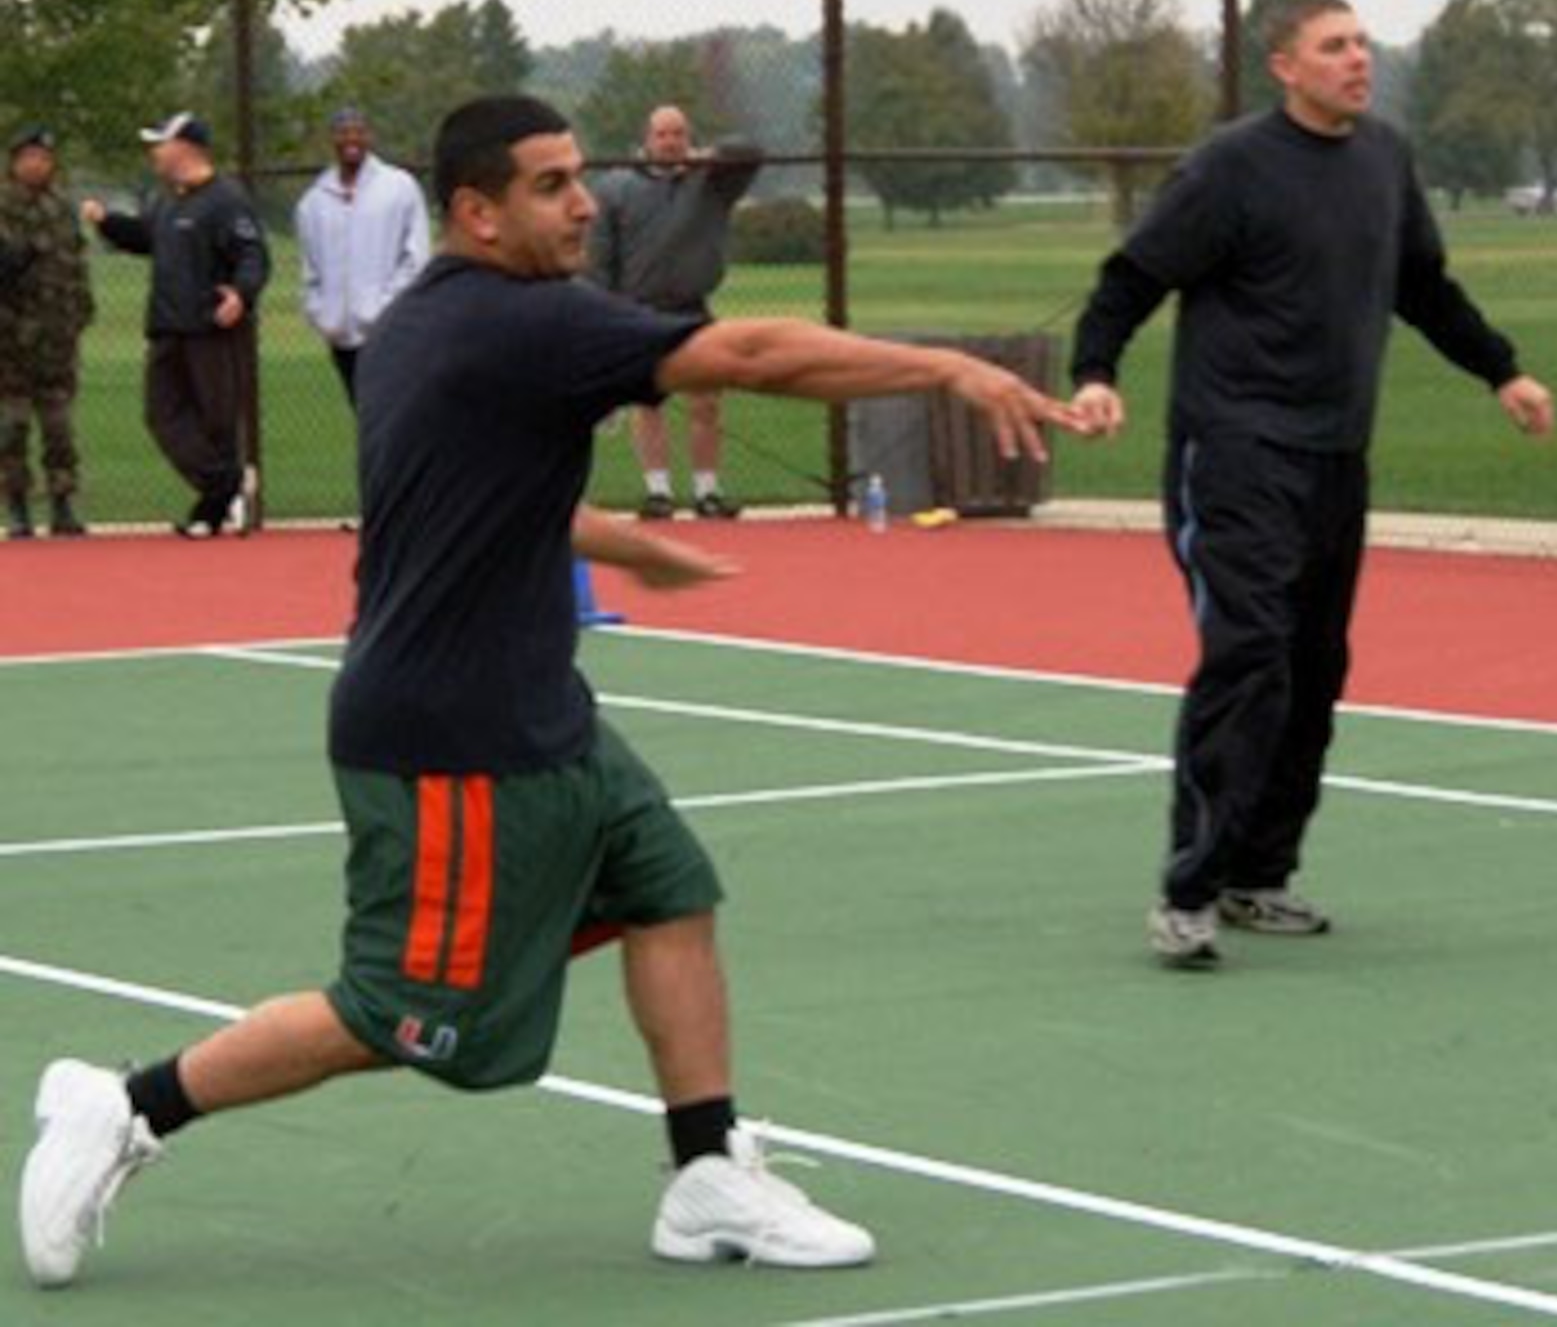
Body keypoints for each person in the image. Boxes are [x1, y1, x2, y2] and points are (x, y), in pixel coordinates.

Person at [18, 94, 1085, 1289]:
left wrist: (624, 544)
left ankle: (705, 1171)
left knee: (670, 889)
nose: (581, 202)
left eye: (581, 177)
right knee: (395, 1011)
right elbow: (741, 353)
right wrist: (945, 366)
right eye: (548, 185)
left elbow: (478, 489)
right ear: (476, 212)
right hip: (450, 737)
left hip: (541, 716)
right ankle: (126, 1105)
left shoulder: (430, 322)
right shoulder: (520, 323)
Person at [1066, 0, 1556, 969]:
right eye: (1333, 46)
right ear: (1284, 66)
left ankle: (1258, 871)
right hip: (1235, 451)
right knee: (1246, 653)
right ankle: (1189, 888)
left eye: (1362, 43)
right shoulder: (1229, 168)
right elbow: (1132, 277)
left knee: (1313, 667)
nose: (1356, 60)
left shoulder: (1381, 159)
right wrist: (1095, 372)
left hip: (1336, 455)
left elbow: (1422, 286)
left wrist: (1500, 368)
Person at [82, 112, 268, 538]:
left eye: (160, 143)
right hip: (167, 327)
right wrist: (106, 221)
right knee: (161, 415)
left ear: (185, 147)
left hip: (212, 331)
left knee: (217, 423)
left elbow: (252, 255)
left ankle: (212, 510)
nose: (154, 152)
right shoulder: (169, 201)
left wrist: (241, 293)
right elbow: (147, 236)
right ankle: (229, 483)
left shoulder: (226, 201)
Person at [588, 105, 762, 519]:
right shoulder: (615, 188)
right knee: (648, 405)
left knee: (706, 403)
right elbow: (600, 259)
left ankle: (707, 490)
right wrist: (607, 312)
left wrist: (713, 154)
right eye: (662, 134)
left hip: (692, 308)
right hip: (639, 310)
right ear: (647, 140)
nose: (670, 142)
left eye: (679, 134)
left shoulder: (713, 182)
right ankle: (658, 491)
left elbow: (750, 152)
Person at [294, 107, 430, 406]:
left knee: (395, 411)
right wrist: (322, 315)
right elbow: (310, 270)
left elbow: (416, 258)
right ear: (332, 139)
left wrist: (384, 308)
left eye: (358, 131)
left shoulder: (398, 187)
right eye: (343, 132)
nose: (351, 139)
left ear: (370, 137)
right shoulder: (314, 201)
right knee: (365, 414)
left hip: (391, 331)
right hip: (341, 337)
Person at [0, 127, 94, 539]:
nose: (37, 164)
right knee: (12, 426)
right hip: (11, 342)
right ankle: (17, 506)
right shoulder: (4, 207)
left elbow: (75, 267)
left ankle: (62, 502)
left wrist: (80, 314)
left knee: (59, 426)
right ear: (14, 162)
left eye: (44, 157)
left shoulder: (61, 208)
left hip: (57, 338)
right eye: (29, 157)